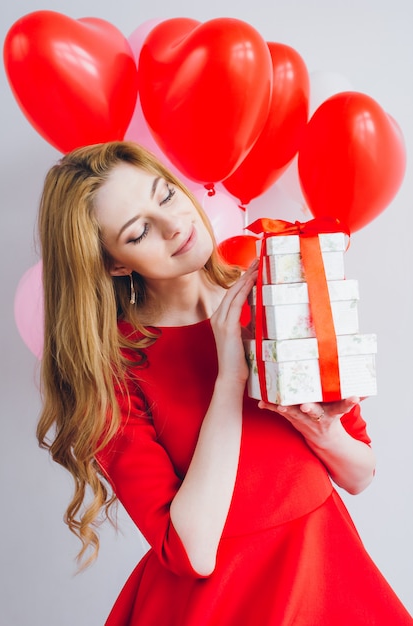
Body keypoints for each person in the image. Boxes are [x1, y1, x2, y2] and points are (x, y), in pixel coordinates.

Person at [37, 140, 412, 626]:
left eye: (166, 195)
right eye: (139, 232)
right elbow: (193, 552)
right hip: (222, 605)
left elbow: (360, 473)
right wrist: (230, 375)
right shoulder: (112, 370)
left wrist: (319, 429)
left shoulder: (280, 288)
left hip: (328, 579)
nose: (175, 226)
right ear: (114, 264)